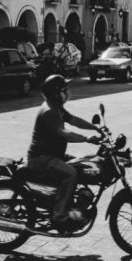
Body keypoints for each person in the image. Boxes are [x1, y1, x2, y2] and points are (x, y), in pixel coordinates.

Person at [25, 74, 101, 226]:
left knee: (83, 164)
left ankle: (72, 202)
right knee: (71, 174)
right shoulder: (49, 111)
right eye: (65, 89)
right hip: (42, 159)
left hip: (53, 155)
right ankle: (60, 215)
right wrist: (87, 139)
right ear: (56, 93)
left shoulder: (56, 107)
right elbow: (64, 134)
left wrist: (96, 128)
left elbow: (74, 120)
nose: (68, 92)